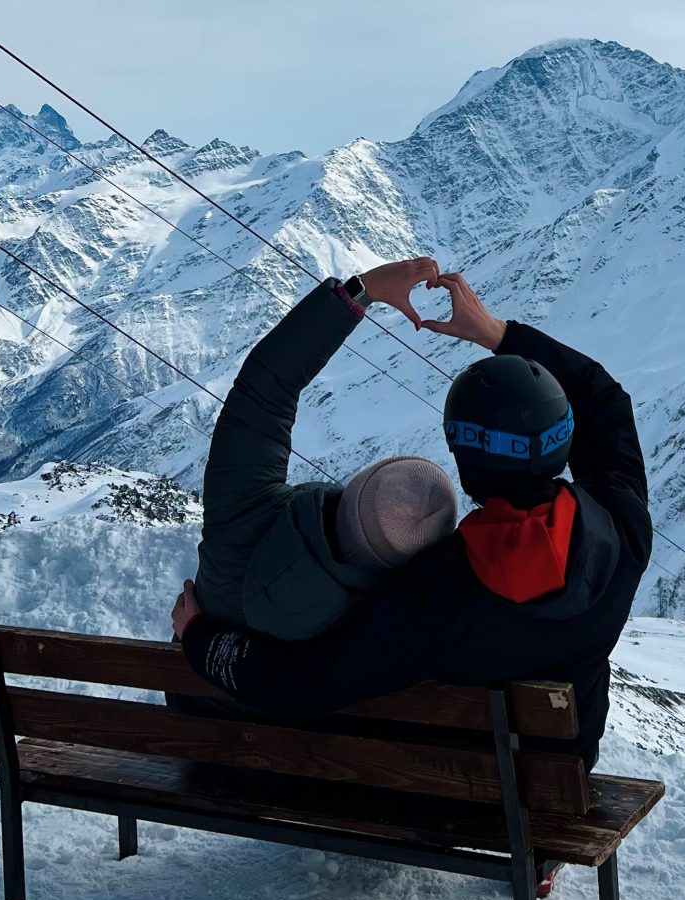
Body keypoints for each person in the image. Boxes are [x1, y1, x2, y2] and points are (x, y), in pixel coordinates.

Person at [173, 271, 652, 770]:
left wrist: (201, 637)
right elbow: (605, 402)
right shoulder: (623, 527)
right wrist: (496, 333)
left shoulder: (438, 590)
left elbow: (307, 680)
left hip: (440, 791)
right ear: (566, 440)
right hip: (541, 788)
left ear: (464, 462)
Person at [188, 256, 458, 648]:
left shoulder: (244, 511)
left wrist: (362, 292)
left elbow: (267, 387)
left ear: (357, 486)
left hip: (190, 698)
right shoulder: (382, 635)